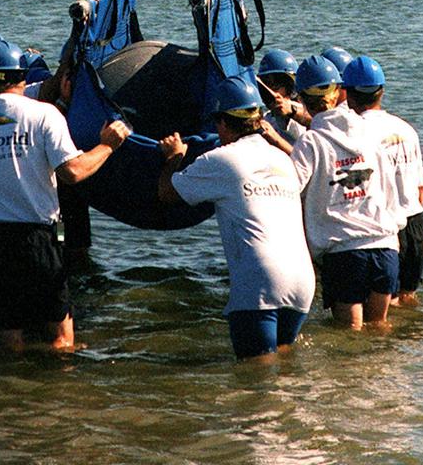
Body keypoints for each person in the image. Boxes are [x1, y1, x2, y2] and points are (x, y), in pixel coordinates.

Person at [0, 36, 131, 351]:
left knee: (7, 339)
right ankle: (55, 396)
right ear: (21, 77)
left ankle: (13, 395)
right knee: (61, 337)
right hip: (33, 239)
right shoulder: (43, 115)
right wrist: (108, 144)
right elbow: (75, 172)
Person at [157, 76, 315, 362]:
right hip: (302, 281)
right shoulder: (283, 159)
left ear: (223, 123)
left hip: (260, 281)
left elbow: (167, 194)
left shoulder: (221, 159)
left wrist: (173, 157)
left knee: (256, 380)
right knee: (285, 369)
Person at [289, 56, 400, 329]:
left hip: (344, 252)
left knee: (349, 336)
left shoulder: (310, 142)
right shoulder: (370, 131)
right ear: (340, 92)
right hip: (385, 246)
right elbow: (388, 182)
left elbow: (289, 191)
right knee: (379, 329)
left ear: (302, 99)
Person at [341, 55, 423, 305]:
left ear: (348, 94)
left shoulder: (356, 131)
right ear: (381, 91)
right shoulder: (406, 128)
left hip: (384, 230)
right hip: (416, 225)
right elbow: (421, 189)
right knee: (407, 302)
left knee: (377, 311)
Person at [256, 48, 308, 140]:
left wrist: (291, 110)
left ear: (289, 86)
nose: (269, 91)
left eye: (274, 85)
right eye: (265, 84)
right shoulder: (267, 119)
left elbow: (316, 121)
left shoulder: (304, 113)